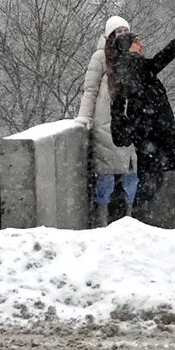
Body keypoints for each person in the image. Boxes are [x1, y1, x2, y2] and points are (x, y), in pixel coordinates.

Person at [110, 21, 175, 222]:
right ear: (127, 47)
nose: (142, 45)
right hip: (149, 134)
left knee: (150, 180)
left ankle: (141, 221)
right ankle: (140, 222)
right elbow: (158, 61)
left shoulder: (128, 66)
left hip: (148, 133)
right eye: (137, 42)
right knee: (149, 181)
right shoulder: (131, 64)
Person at [76, 15, 137, 221]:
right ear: (110, 34)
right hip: (105, 123)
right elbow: (90, 89)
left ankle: (130, 217)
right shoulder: (100, 57)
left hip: (129, 121)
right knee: (106, 174)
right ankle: (101, 219)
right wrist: (84, 116)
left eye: (124, 30)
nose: (122, 35)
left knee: (131, 173)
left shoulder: (134, 53)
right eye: (117, 31)